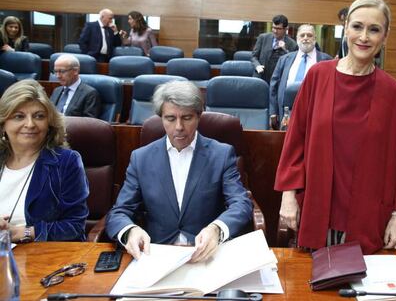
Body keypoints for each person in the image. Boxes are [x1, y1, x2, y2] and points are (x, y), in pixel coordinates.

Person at [275, 0, 396, 254]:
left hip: (367, 215)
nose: (364, 37)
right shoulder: (318, 76)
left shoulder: (393, 92)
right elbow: (295, 140)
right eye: (357, 27)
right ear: (346, 29)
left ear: (385, 36)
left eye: (374, 29)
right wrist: (288, 195)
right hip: (316, 208)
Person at [106, 80, 253, 262]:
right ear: (161, 118)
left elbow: (241, 204)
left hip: (205, 255)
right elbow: (120, 212)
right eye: (170, 118)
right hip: (157, 255)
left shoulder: (221, 154)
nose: (179, 127)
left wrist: (216, 229)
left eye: (186, 118)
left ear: (199, 116)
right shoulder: (141, 158)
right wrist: (130, 231)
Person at [0, 79, 89, 243]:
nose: (30, 124)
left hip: (40, 256)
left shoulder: (66, 162)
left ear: (49, 123)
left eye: (39, 116)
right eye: (19, 116)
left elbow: (74, 227)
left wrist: (20, 233)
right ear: (3, 123)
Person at [269, 24, 332, 128]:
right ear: (297, 38)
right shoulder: (284, 59)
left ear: (315, 39)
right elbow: (273, 86)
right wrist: (273, 112)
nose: (305, 38)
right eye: (302, 35)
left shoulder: (327, 60)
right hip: (287, 114)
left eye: (309, 35)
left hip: (316, 113)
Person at [50, 54, 101, 118]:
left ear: (75, 71)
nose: (58, 76)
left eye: (62, 71)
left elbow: (89, 123)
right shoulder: (57, 91)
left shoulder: (90, 94)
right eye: (56, 71)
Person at [251, 15, 297, 84]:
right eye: (273, 28)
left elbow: (293, 63)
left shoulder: (293, 44)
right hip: (261, 77)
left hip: (279, 80)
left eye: (278, 28)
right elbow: (253, 56)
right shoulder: (263, 38)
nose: (275, 31)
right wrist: (257, 65)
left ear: (286, 29)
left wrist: (285, 50)